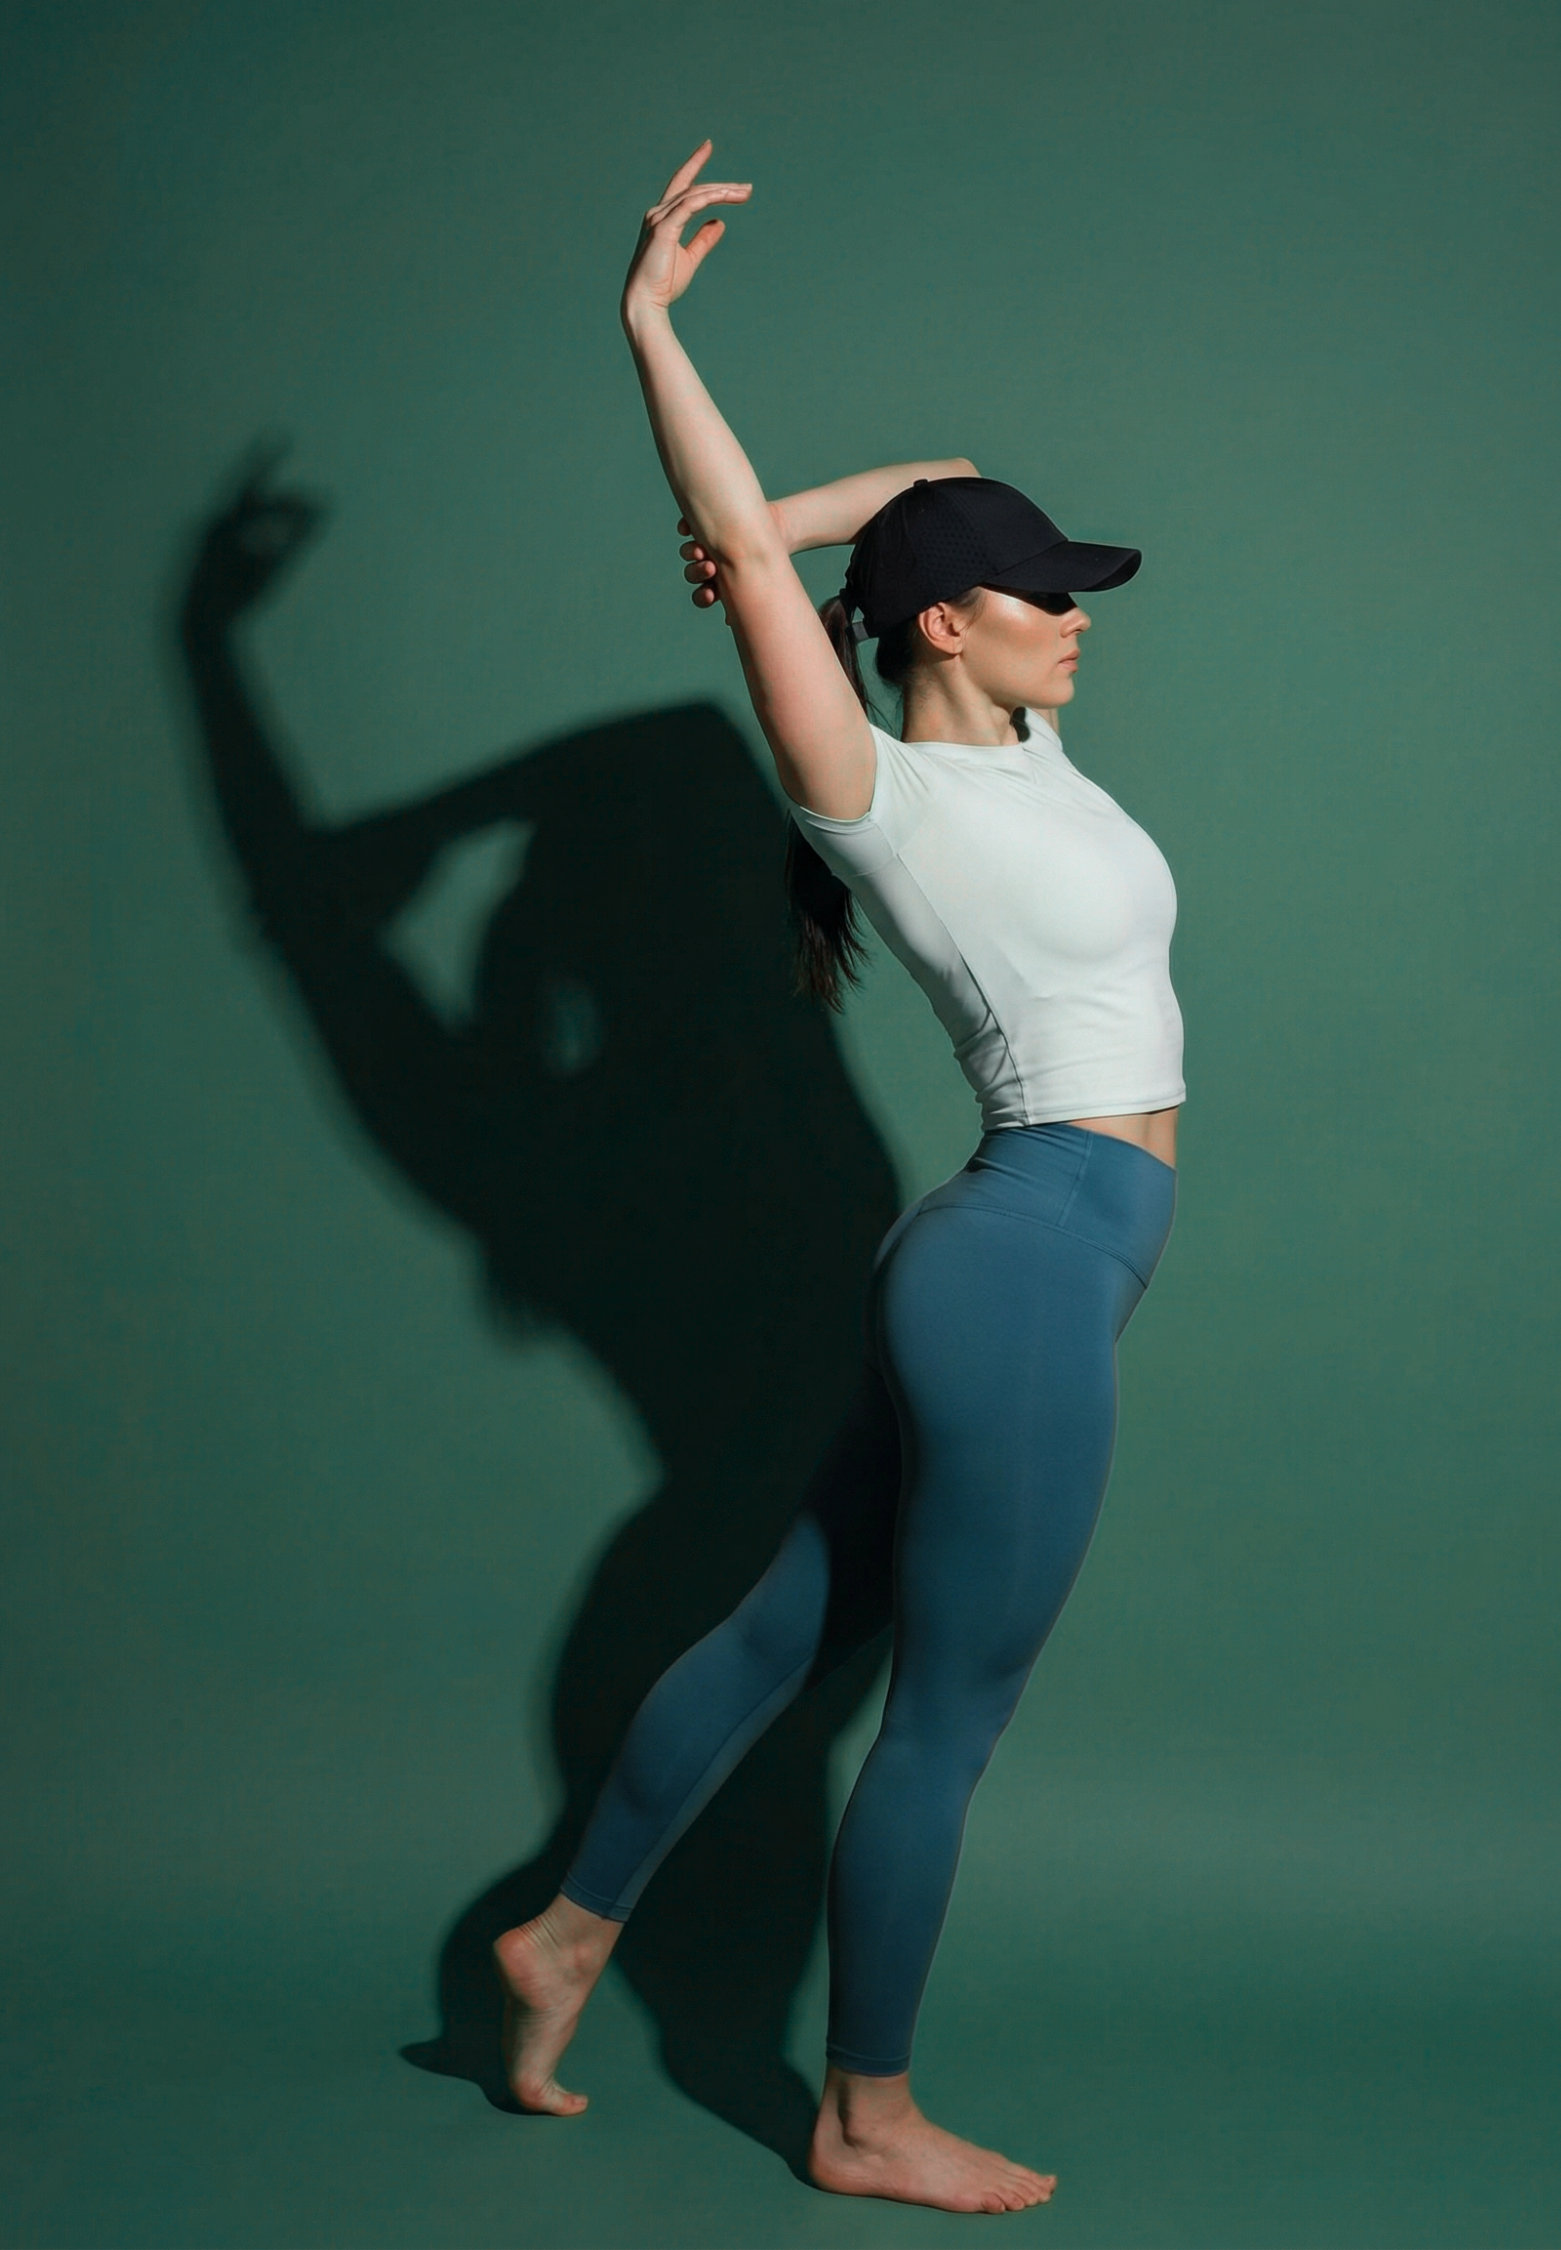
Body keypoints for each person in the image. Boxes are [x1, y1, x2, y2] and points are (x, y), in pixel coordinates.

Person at [493, 141, 1185, 2217]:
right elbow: (784, 541)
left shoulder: (1031, 746)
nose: (1077, 616)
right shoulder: (875, 788)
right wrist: (654, 334)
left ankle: (565, 1936)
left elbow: (944, 475)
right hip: (1023, 1262)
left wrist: (788, 541)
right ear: (943, 627)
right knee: (945, 1716)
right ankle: (865, 2115)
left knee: (792, 1626)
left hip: (1032, 1255)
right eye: (1041, 593)